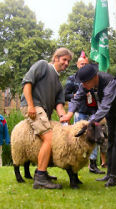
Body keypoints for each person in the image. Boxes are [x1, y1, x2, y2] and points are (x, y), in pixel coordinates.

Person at [61, 64, 116, 187]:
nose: (83, 86)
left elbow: (105, 106)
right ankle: (109, 172)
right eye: (82, 83)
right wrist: (69, 114)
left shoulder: (109, 82)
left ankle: (115, 176)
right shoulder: (85, 83)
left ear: (95, 77)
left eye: (85, 83)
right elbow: (76, 98)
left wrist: (90, 122)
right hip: (111, 107)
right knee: (111, 138)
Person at [20, 47, 73, 189]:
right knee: (49, 138)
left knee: (49, 139)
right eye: (64, 59)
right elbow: (27, 83)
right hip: (33, 107)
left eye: (68, 61)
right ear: (56, 58)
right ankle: (40, 178)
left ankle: (40, 170)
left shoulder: (58, 82)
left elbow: (59, 105)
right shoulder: (43, 65)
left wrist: (63, 116)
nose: (66, 63)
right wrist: (31, 106)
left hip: (43, 112)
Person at [64, 54, 105, 175]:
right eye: (81, 64)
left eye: (86, 64)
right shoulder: (72, 79)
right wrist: (74, 96)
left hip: (94, 112)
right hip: (80, 112)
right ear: (77, 65)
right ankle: (77, 162)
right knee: (80, 138)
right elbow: (65, 95)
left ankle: (93, 164)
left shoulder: (93, 78)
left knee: (94, 137)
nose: (83, 66)